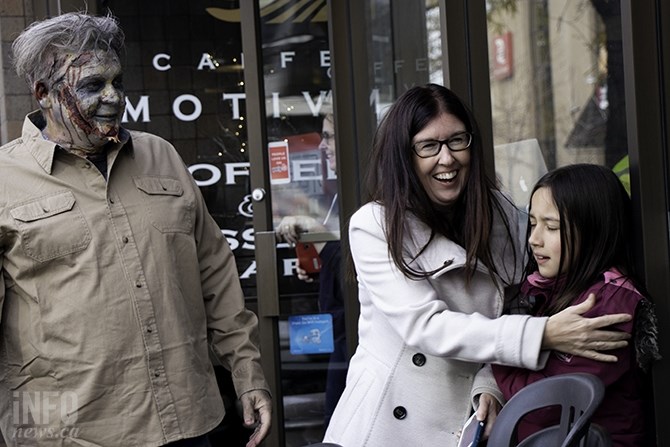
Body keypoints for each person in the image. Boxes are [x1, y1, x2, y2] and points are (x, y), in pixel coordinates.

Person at [0, 12, 271, 447]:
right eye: (91, 85)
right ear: (43, 94)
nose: (113, 97)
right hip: (68, 432)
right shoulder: (4, 179)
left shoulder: (160, 156)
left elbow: (215, 275)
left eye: (118, 82)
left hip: (186, 418)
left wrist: (247, 373)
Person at [322, 84, 633, 447]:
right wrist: (542, 334)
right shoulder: (375, 225)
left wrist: (491, 384)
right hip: (387, 424)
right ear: (404, 156)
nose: (447, 158)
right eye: (428, 146)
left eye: (457, 140)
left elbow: (514, 306)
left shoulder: (498, 214)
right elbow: (426, 327)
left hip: (464, 422)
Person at [491, 164, 661, 445]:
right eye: (532, 223)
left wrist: (499, 352)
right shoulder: (549, 287)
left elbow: (543, 404)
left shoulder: (609, 304)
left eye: (552, 226)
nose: (534, 239)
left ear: (593, 229)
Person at [276, 113, 348, 427]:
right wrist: (322, 270)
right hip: (340, 332)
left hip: (354, 339)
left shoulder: (367, 191)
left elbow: (357, 265)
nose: (323, 145)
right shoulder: (341, 192)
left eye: (330, 137)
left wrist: (315, 232)